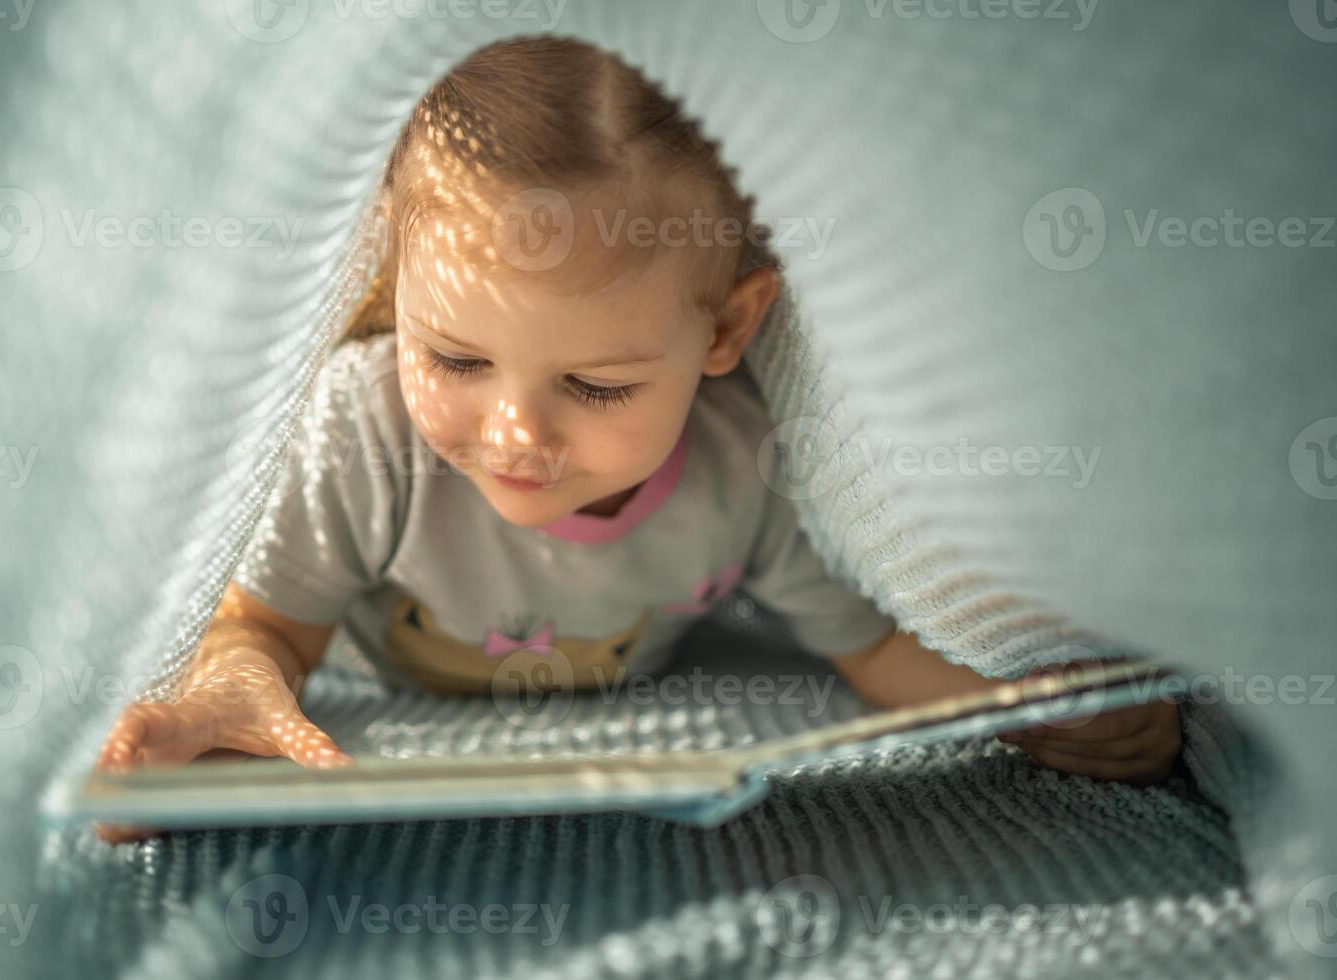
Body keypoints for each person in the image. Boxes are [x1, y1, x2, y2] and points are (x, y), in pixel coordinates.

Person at [96, 36, 1179, 843]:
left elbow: (874, 647)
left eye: (597, 384)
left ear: (728, 328)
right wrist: (227, 688)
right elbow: (266, 629)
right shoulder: (365, 429)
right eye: (457, 360)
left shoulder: (738, 463)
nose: (515, 431)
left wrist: (1035, 710)